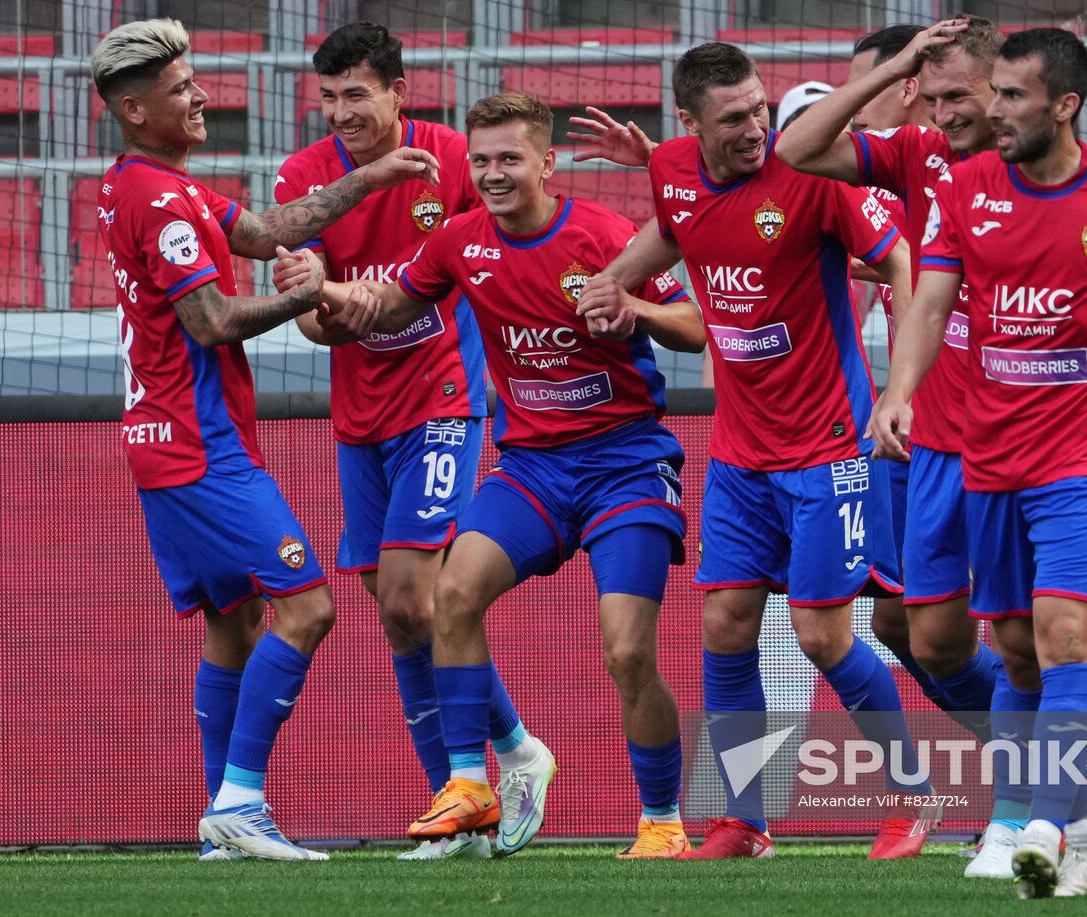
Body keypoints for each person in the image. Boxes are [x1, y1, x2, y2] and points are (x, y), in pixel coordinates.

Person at [778, 18, 1087, 878]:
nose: (944, 113)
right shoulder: (927, 168)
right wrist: (897, 389)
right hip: (939, 441)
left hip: (1062, 443)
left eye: (965, 96)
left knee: (1058, 633)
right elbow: (802, 153)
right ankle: (1065, 802)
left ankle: (1028, 817)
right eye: (926, 99)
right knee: (940, 640)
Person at [276, 90, 707, 858]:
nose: (494, 174)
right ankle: (472, 782)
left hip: (626, 464)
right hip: (532, 470)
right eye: (481, 161)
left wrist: (633, 309)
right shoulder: (457, 241)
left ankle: (664, 821)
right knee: (451, 593)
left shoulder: (605, 235)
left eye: (510, 159)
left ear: (547, 162)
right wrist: (321, 288)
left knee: (627, 651)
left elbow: (698, 327)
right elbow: (382, 307)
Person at [90, 18, 438, 860]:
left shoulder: (141, 184)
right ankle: (242, 801)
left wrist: (375, 176)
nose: (202, 95)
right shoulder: (162, 201)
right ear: (136, 110)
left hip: (161, 438)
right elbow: (211, 321)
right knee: (309, 605)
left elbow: (273, 228)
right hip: (198, 444)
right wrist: (311, 298)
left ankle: (222, 822)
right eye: (180, 89)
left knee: (233, 621)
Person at [581, 41, 934, 861]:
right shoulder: (671, 167)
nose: (756, 128)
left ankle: (914, 799)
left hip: (829, 444)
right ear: (690, 124)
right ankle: (745, 820)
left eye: (761, 109)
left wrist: (899, 388)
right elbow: (673, 231)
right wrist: (616, 281)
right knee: (727, 625)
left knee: (821, 635)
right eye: (734, 117)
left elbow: (902, 259)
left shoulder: (814, 175)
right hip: (742, 452)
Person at [275, 21, 539, 861]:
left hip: (445, 400)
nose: (343, 112)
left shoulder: (457, 160)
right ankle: (501, 766)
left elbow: (498, 253)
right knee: (401, 619)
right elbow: (318, 328)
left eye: (358, 94)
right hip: (360, 418)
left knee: (408, 599)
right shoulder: (304, 178)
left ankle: (471, 789)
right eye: (329, 98)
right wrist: (328, 302)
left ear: (399, 93)